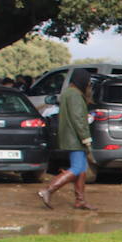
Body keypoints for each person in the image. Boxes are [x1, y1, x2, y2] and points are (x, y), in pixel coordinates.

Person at [38, 68, 96, 211]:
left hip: (71, 136)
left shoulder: (69, 93)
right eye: (88, 81)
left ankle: (80, 200)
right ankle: (48, 190)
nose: (89, 84)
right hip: (75, 137)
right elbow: (78, 119)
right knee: (77, 168)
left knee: (81, 169)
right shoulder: (75, 95)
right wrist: (85, 137)